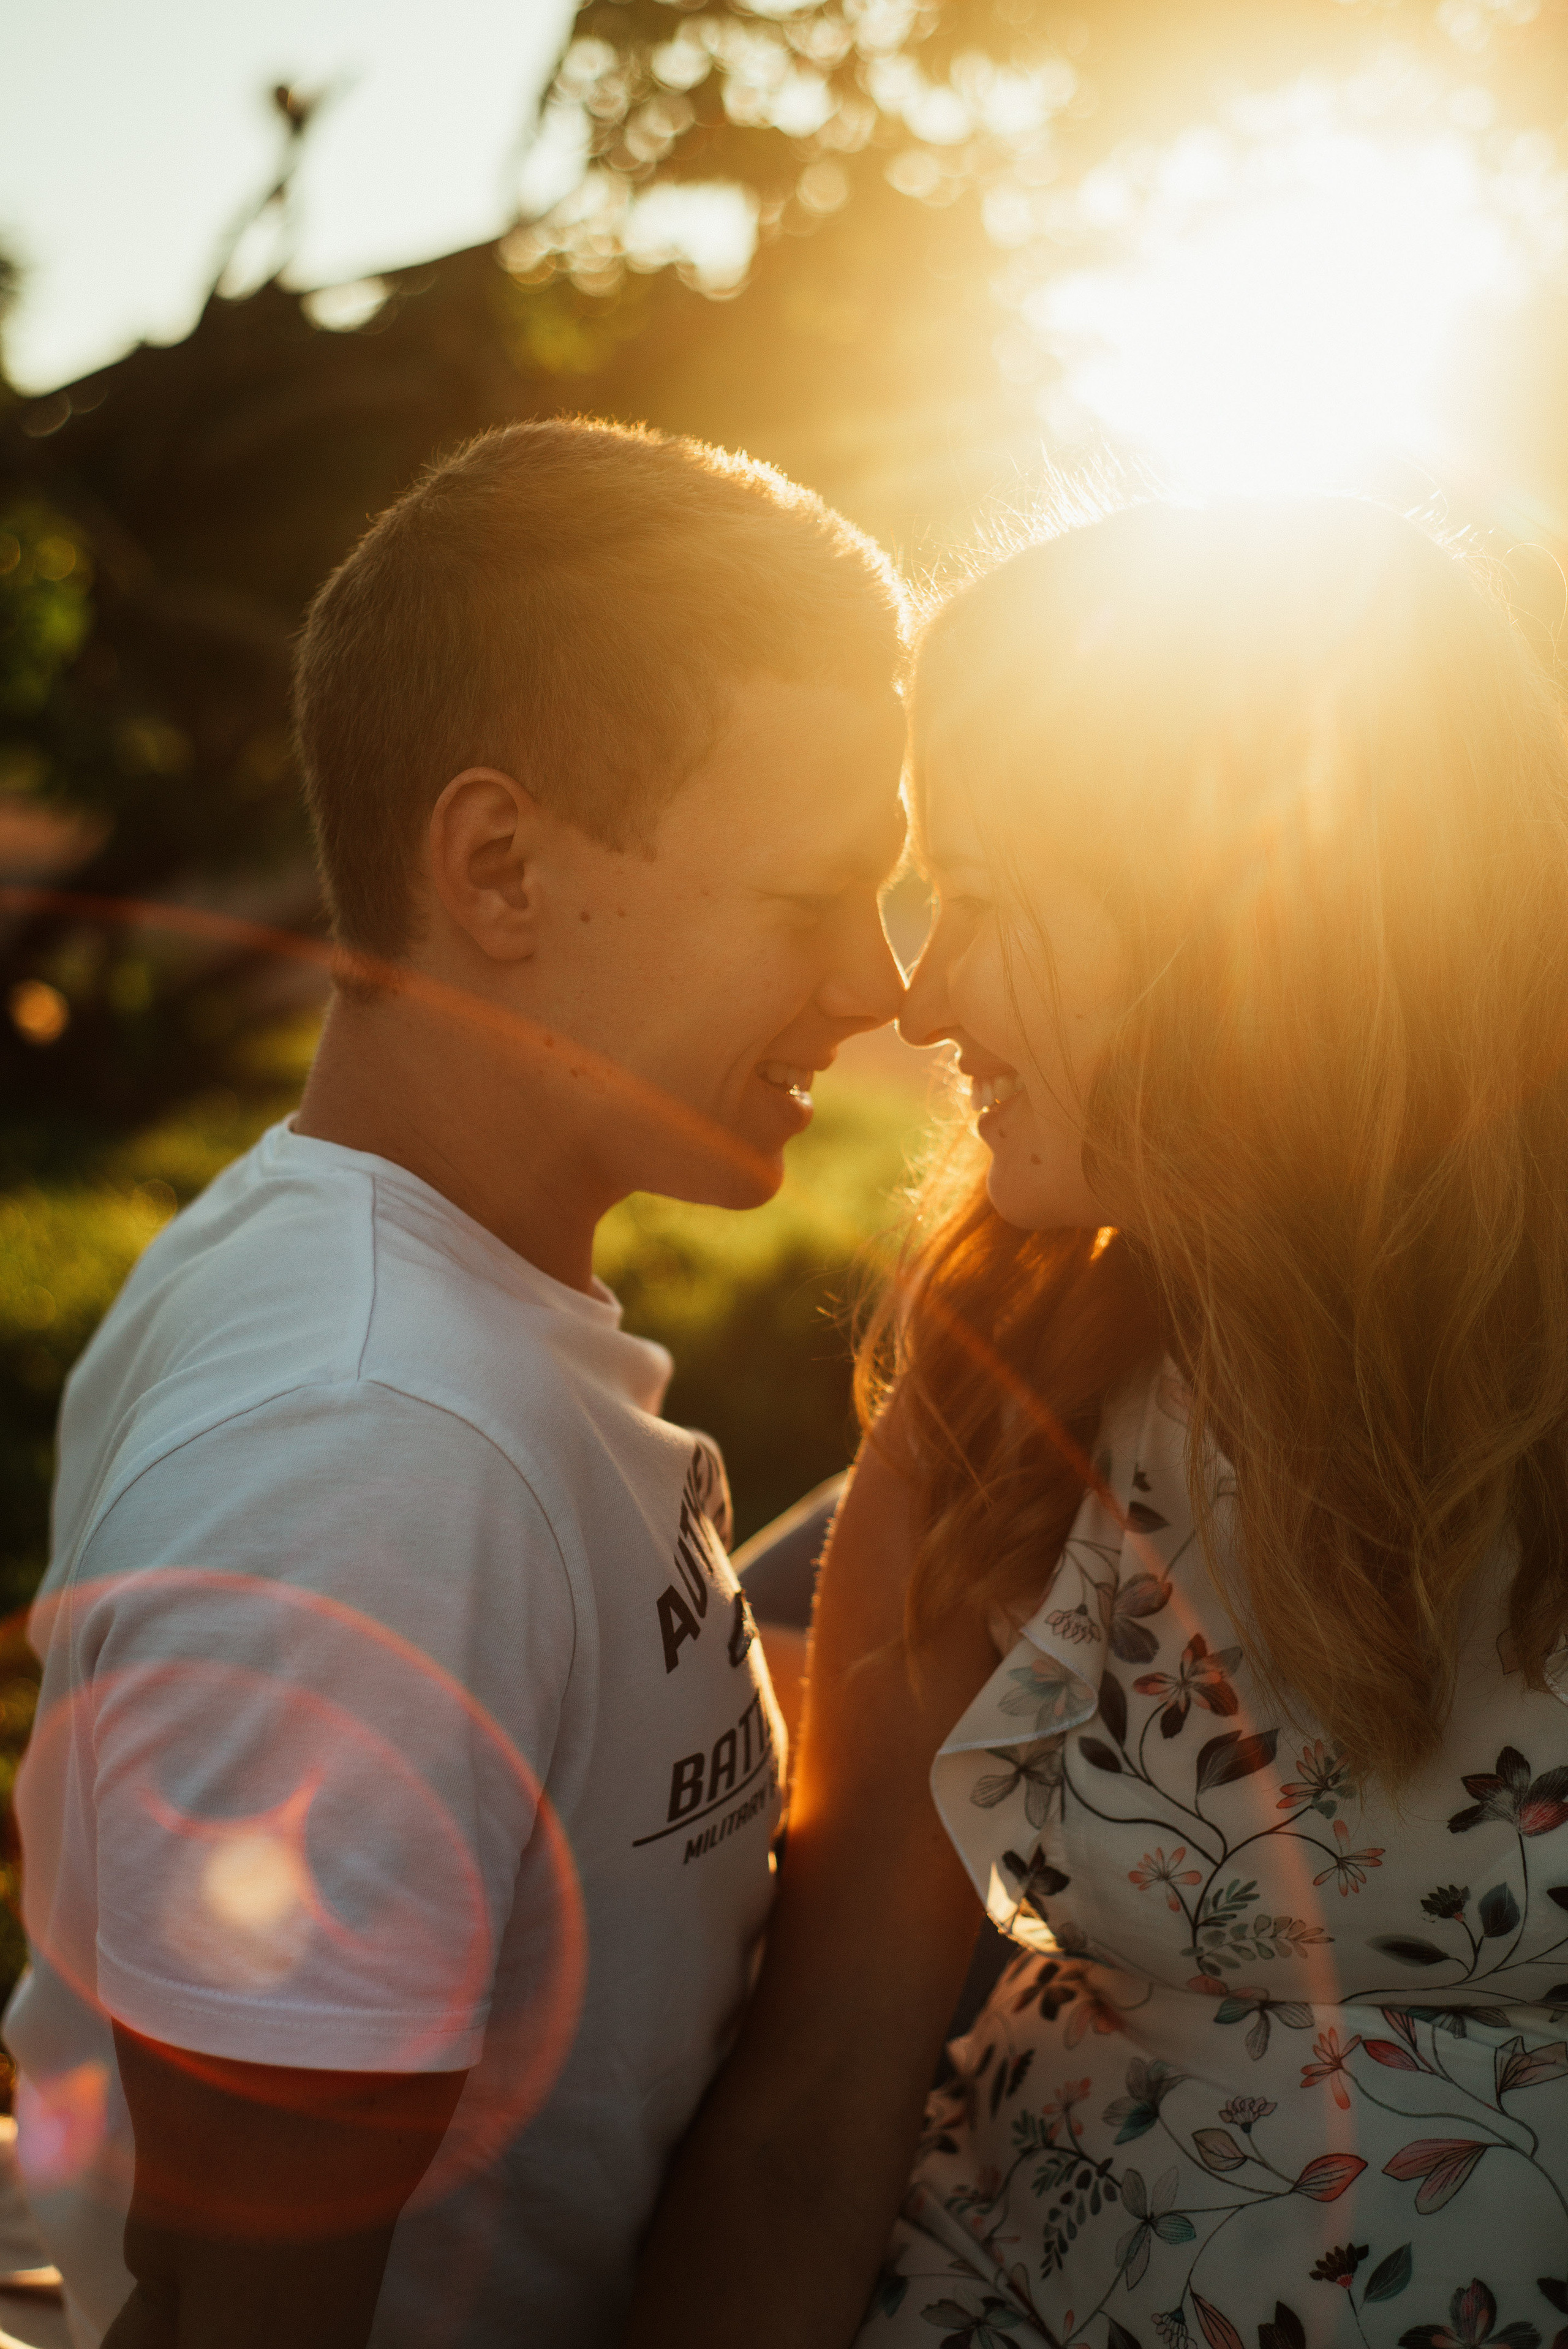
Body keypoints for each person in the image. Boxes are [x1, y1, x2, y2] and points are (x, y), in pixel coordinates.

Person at [3, 417, 909, 2349]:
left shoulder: (409, 1314)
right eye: (806, 896)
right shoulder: (379, 1450)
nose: (878, 980)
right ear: (498, 864)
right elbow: (248, 2306)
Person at [630, 497, 1568, 2345]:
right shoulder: (1011, 1370)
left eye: (982, 890)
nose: (921, 987)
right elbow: (816, 2107)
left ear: (1239, 918)